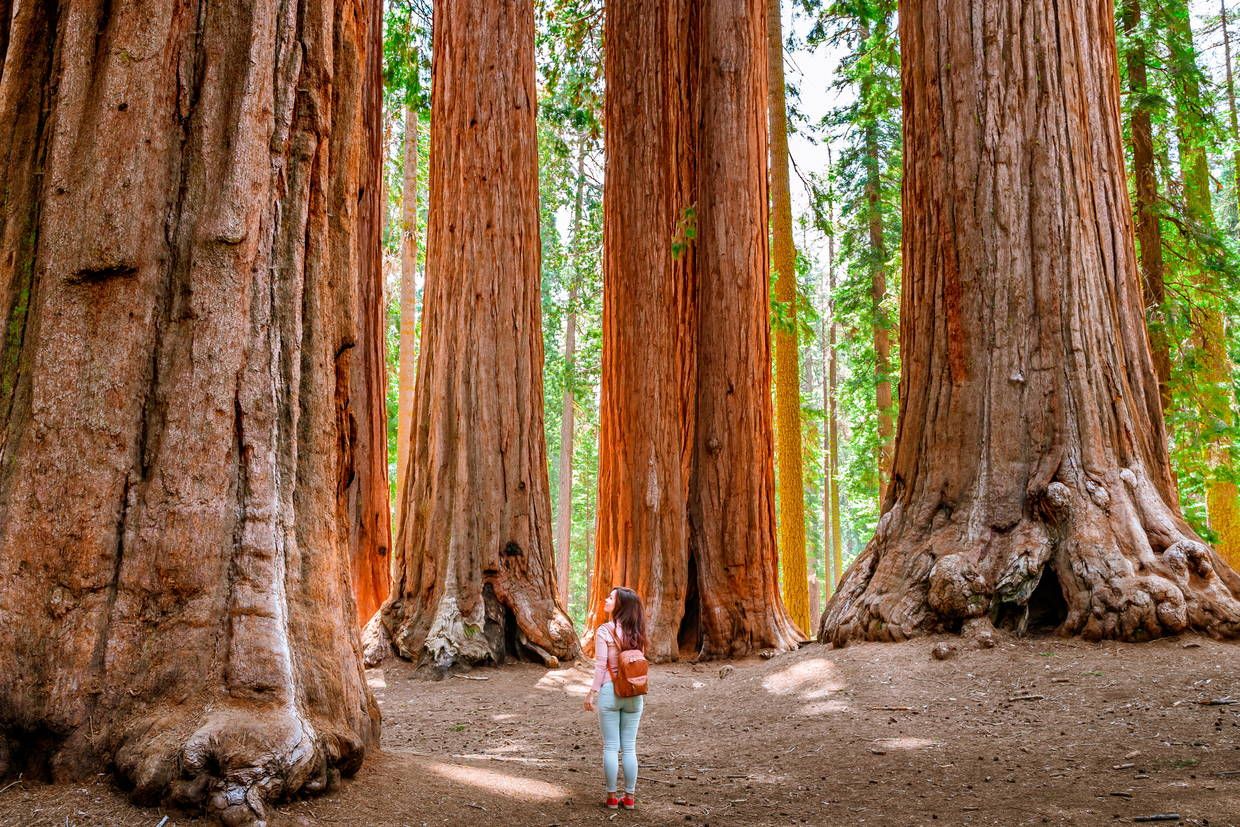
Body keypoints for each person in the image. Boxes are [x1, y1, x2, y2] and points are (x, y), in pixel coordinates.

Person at [583, 586, 647, 810]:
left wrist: (593, 692)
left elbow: (601, 666)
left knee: (611, 747)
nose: (606, 599)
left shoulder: (604, 631)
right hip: (634, 693)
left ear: (619, 605)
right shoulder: (637, 631)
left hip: (610, 692)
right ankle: (629, 798)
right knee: (629, 747)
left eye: (610, 597)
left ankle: (611, 797)